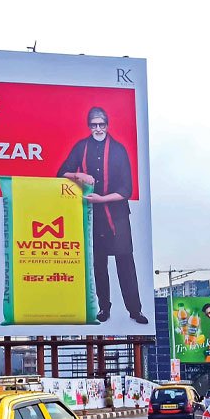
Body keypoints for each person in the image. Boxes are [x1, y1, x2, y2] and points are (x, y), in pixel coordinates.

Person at [58, 106, 147, 324]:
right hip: (94, 216)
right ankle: (103, 309)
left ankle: (135, 311)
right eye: (94, 125)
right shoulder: (82, 147)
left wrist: (102, 199)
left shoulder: (118, 150)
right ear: (89, 126)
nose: (98, 128)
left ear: (107, 125)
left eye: (101, 124)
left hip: (117, 216)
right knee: (99, 264)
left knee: (125, 262)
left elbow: (127, 190)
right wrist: (78, 175)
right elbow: (61, 173)